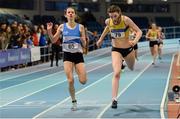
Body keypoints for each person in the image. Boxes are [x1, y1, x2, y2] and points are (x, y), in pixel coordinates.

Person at [96, 5, 142, 109]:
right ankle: (114, 99)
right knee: (116, 73)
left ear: (119, 13)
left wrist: (134, 41)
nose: (113, 19)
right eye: (111, 16)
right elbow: (107, 28)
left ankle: (125, 62)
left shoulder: (126, 20)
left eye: (115, 16)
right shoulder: (108, 21)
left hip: (128, 49)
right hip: (116, 49)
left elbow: (139, 31)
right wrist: (101, 39)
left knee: (131, 67)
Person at [47, 7, 87, 111]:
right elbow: (53, 40)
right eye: (68, 12)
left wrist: (83, 40)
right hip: (67, 56)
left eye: (72, 12)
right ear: (66, 15)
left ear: (75, 15)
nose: (70, 14)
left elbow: (85, 44)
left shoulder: (80, 27)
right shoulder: (62, 27)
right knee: (70, 80)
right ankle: (74, 101)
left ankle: (79, 71)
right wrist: (49, 31)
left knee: (83, 81)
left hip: (78, 55)